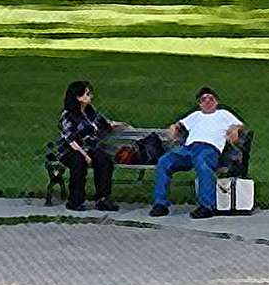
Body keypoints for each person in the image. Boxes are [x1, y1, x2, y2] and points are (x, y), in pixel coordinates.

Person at [150, 87, 245, 219]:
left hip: (209, 148)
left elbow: (240, 125)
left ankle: (207, 206)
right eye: (203, 100)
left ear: (216, 102)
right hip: (188, 149)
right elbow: (179, 125)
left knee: (202, 163)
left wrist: (234, 129)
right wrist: (173, 127)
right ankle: (160, 204)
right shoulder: (195, 115)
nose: (207, 102)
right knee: (164, 161)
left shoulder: (224, 114)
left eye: (211, 99)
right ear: (199, 104)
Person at [56, 80, 128, 211]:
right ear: (78, 97)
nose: (91, 96)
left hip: (89, 147)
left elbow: (104, 123)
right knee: (78, 162)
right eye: (87, 94)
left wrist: (121, 125)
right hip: (70, 150)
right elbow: (71, 140)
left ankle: (103, 199)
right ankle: (75, 201)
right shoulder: (68, 115)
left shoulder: (90, 111)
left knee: (104, 160)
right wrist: (85, 156)